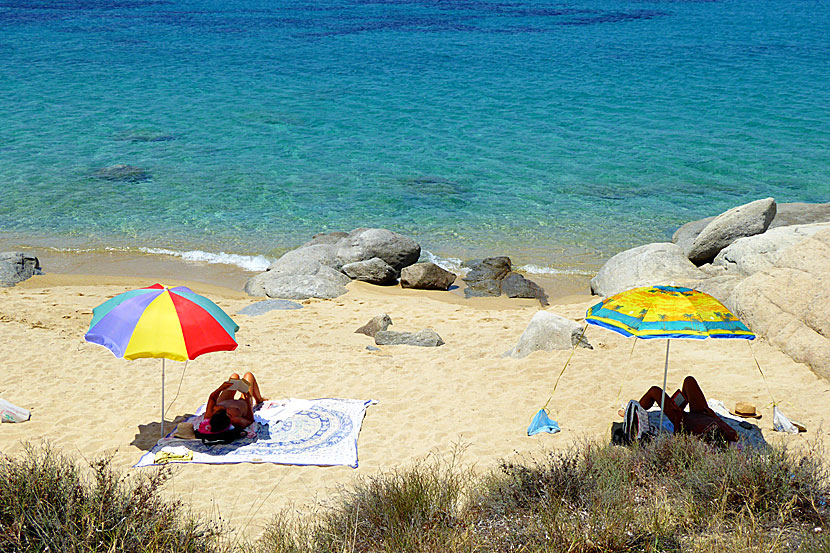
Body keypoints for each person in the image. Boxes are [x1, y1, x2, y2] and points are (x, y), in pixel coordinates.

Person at [633, 375, 738, 443]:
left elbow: (679, 436)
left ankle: (634, 412)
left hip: (683, 419)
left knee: (654, 391)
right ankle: (681, 402)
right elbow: (734, 436)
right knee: (689, 380)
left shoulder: (699, 440)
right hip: (703, 413)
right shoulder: (728, 434)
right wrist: (713, 416)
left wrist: (678, 415)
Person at [203, 372, 267, 432]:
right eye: (228, 414)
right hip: (243, 403)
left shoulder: (209, 416)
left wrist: (220, 389)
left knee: (234, 376)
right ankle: (259, 400)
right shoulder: (236, 420)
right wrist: (247, 399)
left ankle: (257, 398)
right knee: (249, 375)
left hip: (224, 400)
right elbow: (250, 420)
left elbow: (212, 398)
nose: (226, 410)